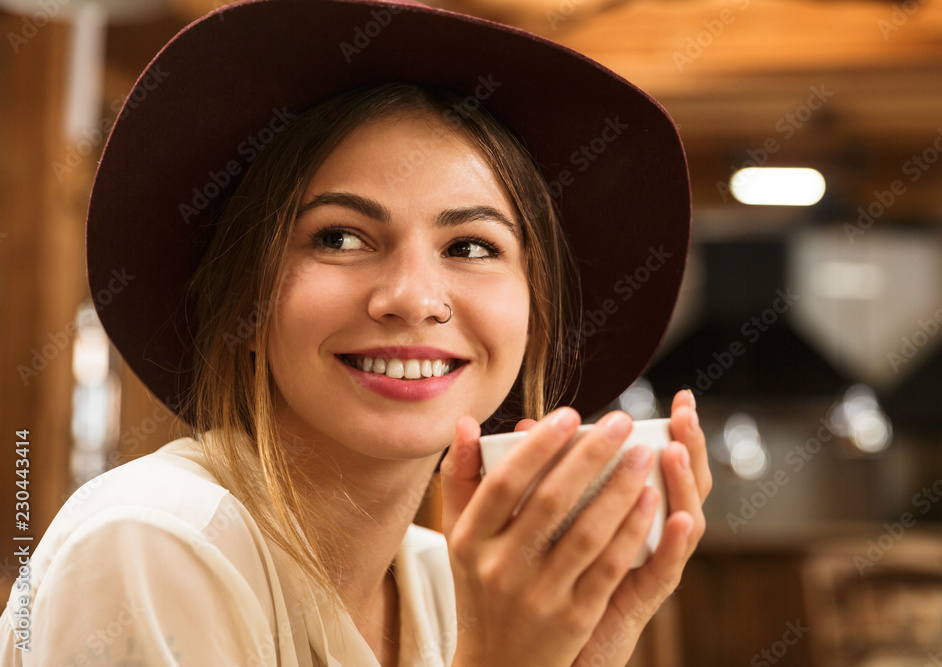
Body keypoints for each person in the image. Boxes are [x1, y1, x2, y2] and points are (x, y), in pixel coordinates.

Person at [0, 0, 710, 664]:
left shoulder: (436, 581)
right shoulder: (153, 541)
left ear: (536, 311)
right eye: (340, 237)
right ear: (245, 300)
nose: (412, 298)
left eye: (470, 246)